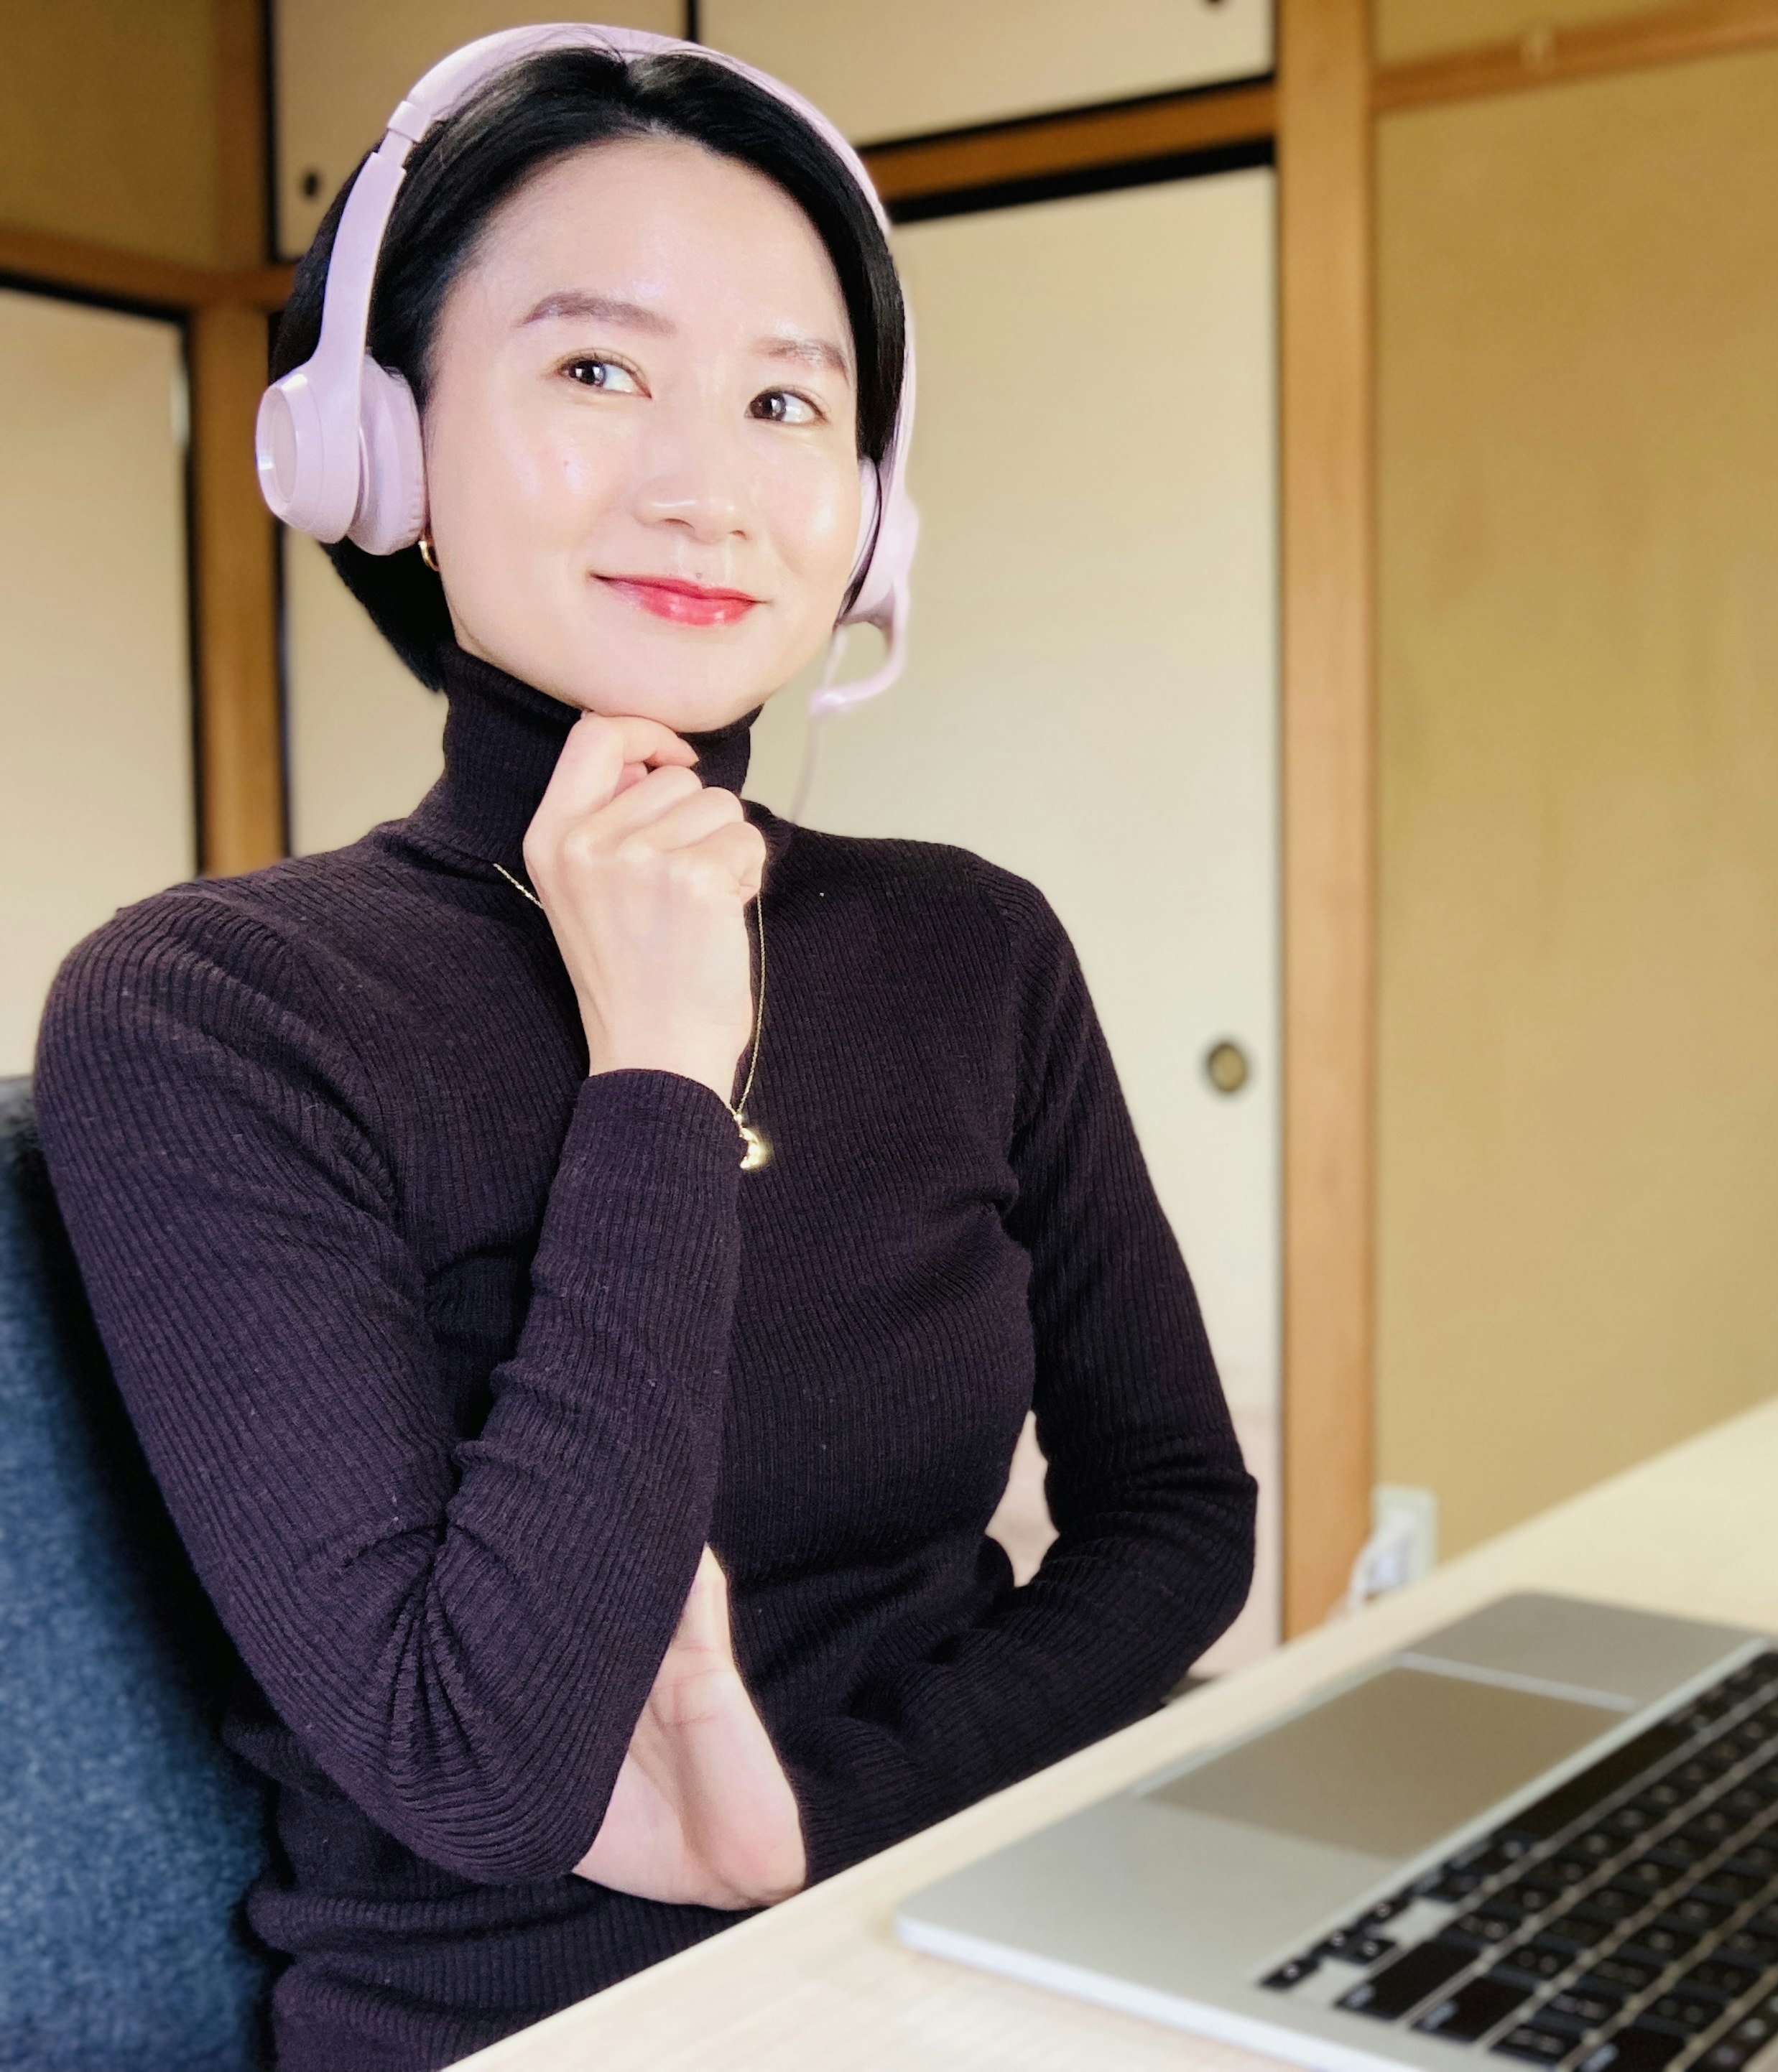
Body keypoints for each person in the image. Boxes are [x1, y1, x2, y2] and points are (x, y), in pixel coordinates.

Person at [31, 34, 1255, 2072]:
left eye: (787, 398)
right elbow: (480, 1771)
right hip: (541, 2028)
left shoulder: (967, 942)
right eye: (596, 370)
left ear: (865, 511)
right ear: (382, 444)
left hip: (985, 1915)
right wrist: (660, 1074)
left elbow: (1178, 1514)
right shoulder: (208, 1012)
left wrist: (819, 1815)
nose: (704, 483)